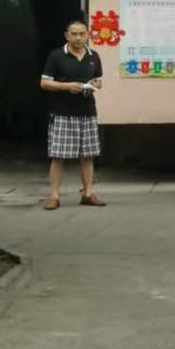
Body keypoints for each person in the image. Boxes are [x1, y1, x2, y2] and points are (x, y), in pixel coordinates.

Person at [40, 18, 104, 209]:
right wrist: (67, 86)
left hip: (87, 112)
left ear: (88, 35)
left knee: (88, 155)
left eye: (82, 34)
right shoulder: (56, 55)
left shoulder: (94, 56)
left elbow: (98, 80)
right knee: (58, 155)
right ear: (66, 36)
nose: (78, 38)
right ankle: (54, 196)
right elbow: (44, 82)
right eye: (74, 34)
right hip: (62, 112)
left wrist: (94, 84)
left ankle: (88, 193)